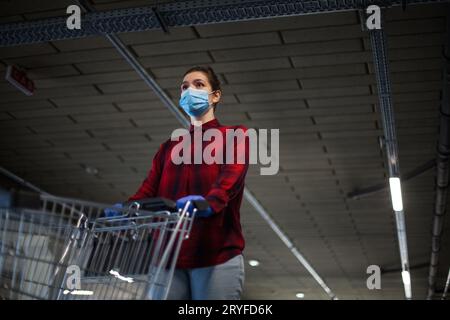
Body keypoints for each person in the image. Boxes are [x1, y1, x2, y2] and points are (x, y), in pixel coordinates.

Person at [117, 65, 250, 300]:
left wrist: (209, 203)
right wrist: (126, 209)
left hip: (215, 254)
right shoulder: (169, 147)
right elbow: (148, 189)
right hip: (168, 256)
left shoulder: (234, 136)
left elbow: (231, 178)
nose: (190, 90)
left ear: (215, 95)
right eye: (185, 87)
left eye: (199, 85)